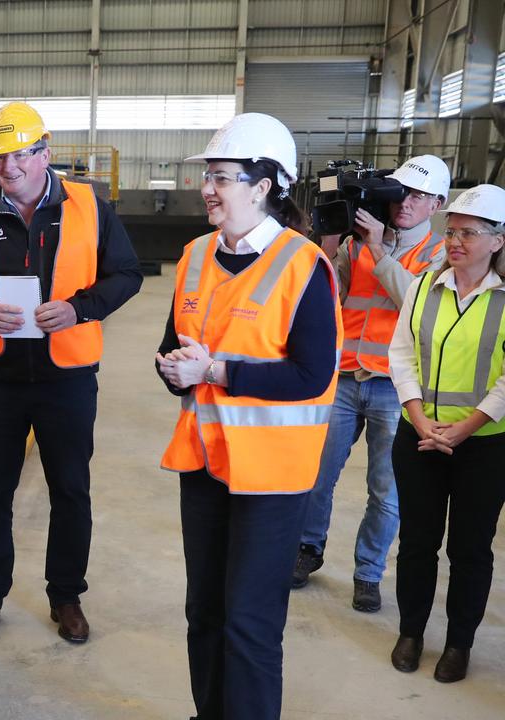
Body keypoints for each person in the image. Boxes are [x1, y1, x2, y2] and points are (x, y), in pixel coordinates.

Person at [0, 101, 142, 645]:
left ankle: (66, 595)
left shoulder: (90, 209)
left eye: (20, 155)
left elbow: (127, 274)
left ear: (44, 154)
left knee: (70, 490)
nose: (9, 168)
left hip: (66, 376)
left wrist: (81, 308)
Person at [155, 113, 341, 720]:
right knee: (204, 612)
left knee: (250, 624)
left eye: (223, 178)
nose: (209, 189)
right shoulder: (192, 258)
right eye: (208, 177)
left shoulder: (303, 266)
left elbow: (311, 376)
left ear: (264, 186)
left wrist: (213, 373)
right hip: (205, 465)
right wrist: (173, 369)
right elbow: (172, 348)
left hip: (272, 479)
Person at [292, 155, 449, 612]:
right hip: (343, 376)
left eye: (418, 196)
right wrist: (329, 243)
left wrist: (379, 249)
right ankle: (307, 550)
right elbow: (328, 296)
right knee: (317, 475)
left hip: (394, 387)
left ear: (437, 203)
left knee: (386, 489)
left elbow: (417, 305)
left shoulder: (438, 253)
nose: (406, 202)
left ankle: (367, 573)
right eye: (402, 192)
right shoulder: (359, 243)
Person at [387, 183, 505, 684]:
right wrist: (417, 417)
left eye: (469, 233)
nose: (455, 242)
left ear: (498, 240)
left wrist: (468, 425)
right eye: (451, 231)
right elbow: (401, 353)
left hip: (484, 445)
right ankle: (411, 631)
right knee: (416, 540)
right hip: (418, 436)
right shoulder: (424, 284)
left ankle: (459, 643)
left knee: (470, 548)